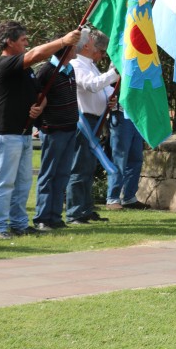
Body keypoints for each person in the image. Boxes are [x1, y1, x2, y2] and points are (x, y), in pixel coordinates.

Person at [0, 21, 81, 239]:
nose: (27, 44)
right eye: (23, 40)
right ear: (9, 42)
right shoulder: (6, 64)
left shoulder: (26, 72)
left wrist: (40, 107)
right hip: (5, 133)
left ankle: (19, 224)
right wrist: (63, 41)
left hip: (23, 133)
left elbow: (41, 96)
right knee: (4, 182)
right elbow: (37, 54)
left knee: (22, 183)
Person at [68, 30, 118, 224]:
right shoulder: (76, 64)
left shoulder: (90, 65)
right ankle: (75, 212)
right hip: (83, 122)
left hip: (95, 122)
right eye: (101, 51)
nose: (102, 55)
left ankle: (86, 209)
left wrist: (109, 99)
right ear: (88, 46)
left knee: (88, 168)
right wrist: (114, 73)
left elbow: (102, 89)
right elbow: (92, 85)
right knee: (79, 168)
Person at [33, 44, 80, 231]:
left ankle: (55, 216)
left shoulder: (70, 69)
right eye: (73, 47)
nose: (76, 49)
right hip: (53, 129)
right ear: (65, 51)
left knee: (62, 174)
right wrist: (40, 124)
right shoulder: (47, 71)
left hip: (70, 129)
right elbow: (37, 100)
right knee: (49, 174)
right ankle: (42, 217)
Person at [106, 100, 148, 210]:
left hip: (136, 115)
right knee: (119, 159)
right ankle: (112, 198)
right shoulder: (116, 81)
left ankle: (129, 198)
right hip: (120, 114)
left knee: (136, 159)